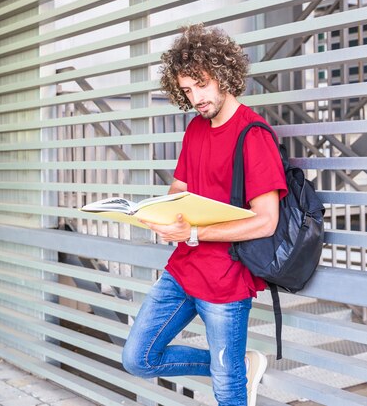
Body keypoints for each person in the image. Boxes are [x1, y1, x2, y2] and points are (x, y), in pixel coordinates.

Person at [121, 24, 287, 406]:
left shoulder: (253, 134)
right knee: (139, 358)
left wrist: (194, 231)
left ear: (224, 74)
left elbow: (266, 220)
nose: (195, 97)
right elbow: (179, 188)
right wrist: (161, 215)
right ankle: (236, 365)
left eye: (202, 84)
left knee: (227, 391)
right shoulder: (195, 128)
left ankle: (230, 371)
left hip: (226, 281)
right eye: (187, 90)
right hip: (182, 270)